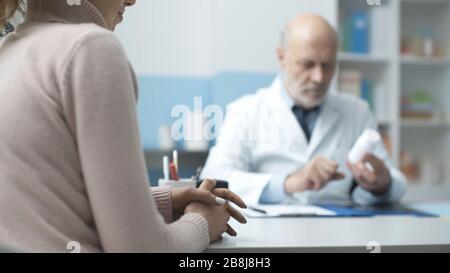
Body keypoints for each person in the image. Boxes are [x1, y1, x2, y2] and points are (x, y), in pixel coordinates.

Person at [0, 0, 246, 252]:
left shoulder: (9, 50)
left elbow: (44, 202)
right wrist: (202, 222)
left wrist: (160, 202)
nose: (132, 0)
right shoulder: (90, 48)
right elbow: (141, 249)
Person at [201, 13, 407, 206]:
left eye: (327, 65)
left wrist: (383, 183)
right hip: (268, 233)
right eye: (307, 64)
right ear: (282, 57)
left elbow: (396, 182)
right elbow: (215, 178)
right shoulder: (246, 111)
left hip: (341, 230)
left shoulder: (357, 112)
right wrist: (288, 183)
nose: (319, 77)